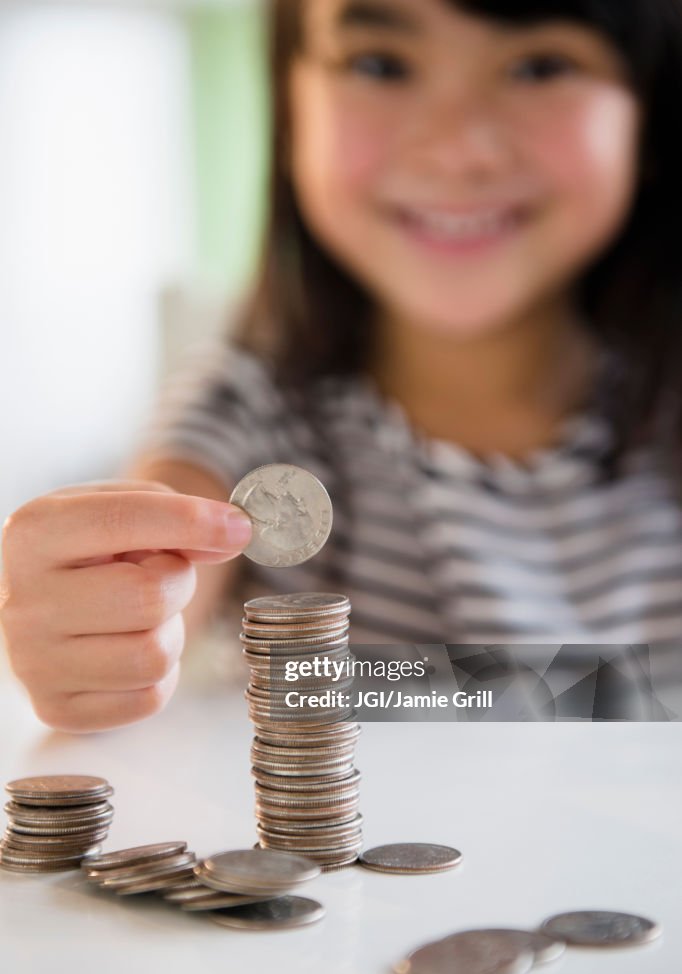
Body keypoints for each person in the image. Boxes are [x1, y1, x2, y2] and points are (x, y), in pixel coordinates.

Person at [2, 0, 682, 733]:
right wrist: (104, 626)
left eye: (541, 65)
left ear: (652, 105)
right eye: (379, 64)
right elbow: (149, 591)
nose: (457, 150)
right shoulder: (244, 407)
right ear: (290, 106)